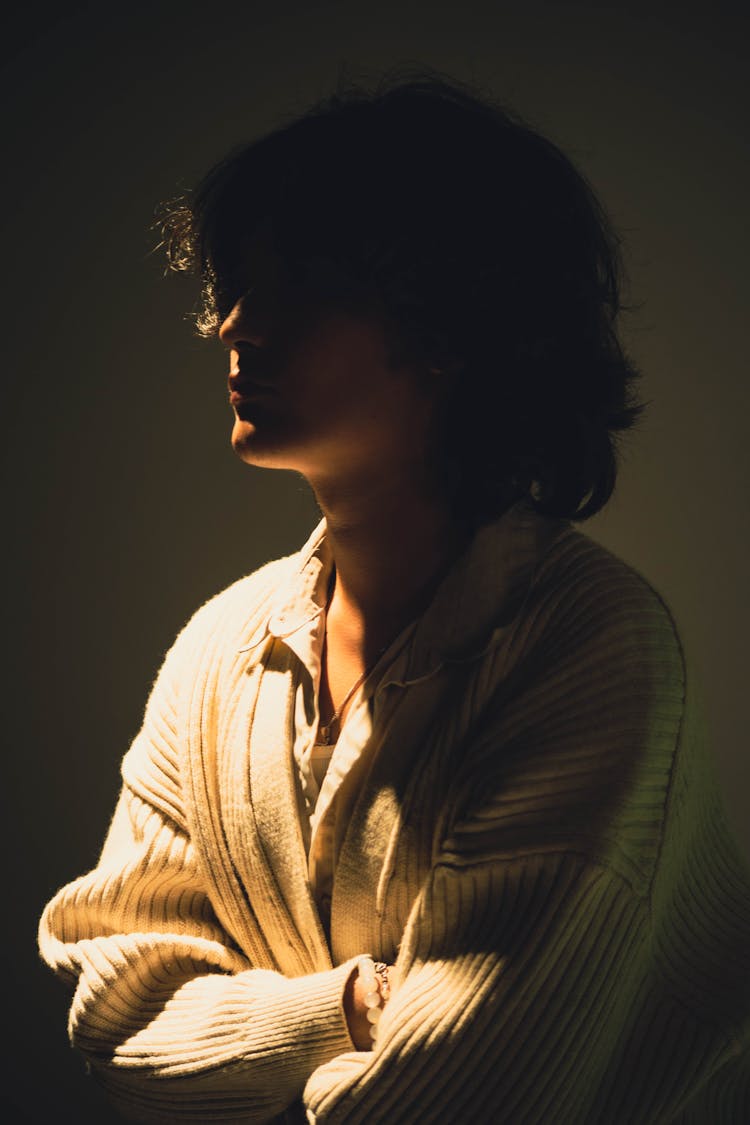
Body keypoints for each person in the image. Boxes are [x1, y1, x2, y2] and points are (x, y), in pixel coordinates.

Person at [38, 68, 750, 1123]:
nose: (234, 323)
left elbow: (463, 1091)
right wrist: (358, 1008)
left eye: (294, 287)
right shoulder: (217, 651)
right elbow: (116, 1017)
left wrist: (252, 1041)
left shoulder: (590, 644)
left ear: (453, 321)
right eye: (232, 283)